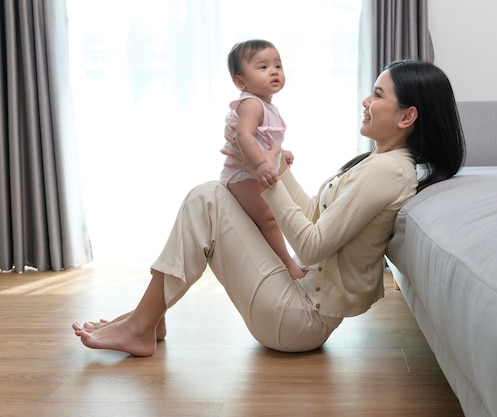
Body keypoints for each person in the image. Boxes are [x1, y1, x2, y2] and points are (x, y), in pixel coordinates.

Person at [72, 59, 465, 357]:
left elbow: (311, 247)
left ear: (407, 116)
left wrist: (268, 181)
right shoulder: (378, 163)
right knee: (209, 195)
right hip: (298, 301)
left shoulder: (389, 171)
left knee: (207, 197)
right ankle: (148, 320)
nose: (366, 101)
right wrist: (276, 166)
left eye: (378, 95)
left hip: (299, 321)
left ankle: (143, 325)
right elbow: (315, 217)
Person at [219, 39, 306, 280]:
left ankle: (282, 259)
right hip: (242, 176)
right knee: (268, 218)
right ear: (240, 81)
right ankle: (287, 263)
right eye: (263, 67)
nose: (274, 71)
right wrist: (261, 164)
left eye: (277, 65)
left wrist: (279, 152)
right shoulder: (251, 104)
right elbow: (243, 135)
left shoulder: (266, 106)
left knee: (275, 215)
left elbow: (263, 139)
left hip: (252, 172)